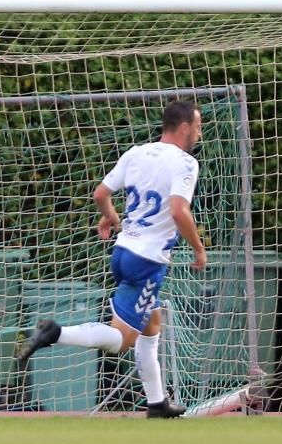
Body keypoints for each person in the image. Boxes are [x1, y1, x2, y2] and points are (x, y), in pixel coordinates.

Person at [16, 100, 206, 419]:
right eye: (198, 127)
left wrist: (111, 218)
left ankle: (157, 402)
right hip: (148, 261)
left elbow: (100, 194)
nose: (199, 134)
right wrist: (199, 249)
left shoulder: (136, 153)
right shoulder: (186, 163)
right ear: (184, 127)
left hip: (123, 251)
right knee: (121, 340)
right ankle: (55, 333)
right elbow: (178, 210)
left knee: (151, 322)